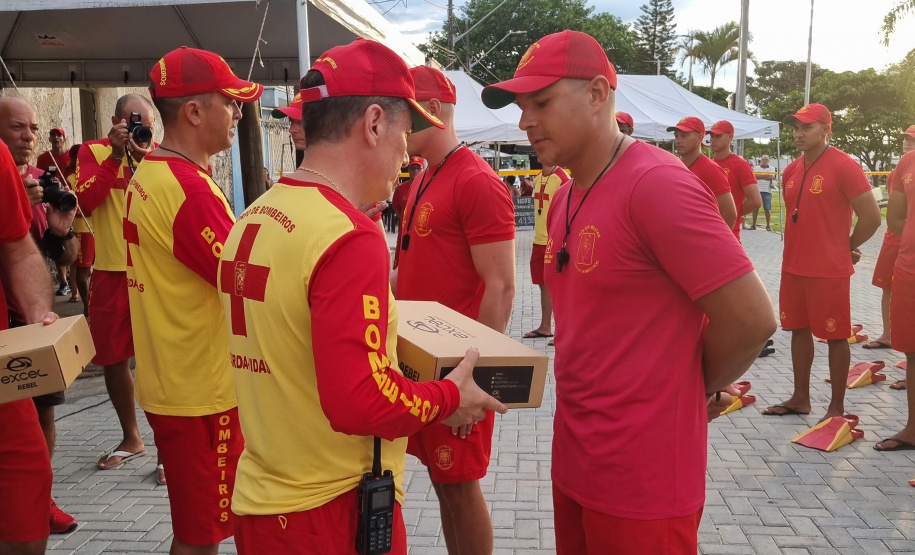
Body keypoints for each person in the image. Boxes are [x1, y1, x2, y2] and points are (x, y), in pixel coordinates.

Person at [482, 30, 776, 553]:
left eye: (542, 102)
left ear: (598, 95)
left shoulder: (656, 185)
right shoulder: (568, 193)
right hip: (576, 459)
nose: (525, 120)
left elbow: (752, 320)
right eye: (522, 106)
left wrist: (685, 388)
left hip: (644, 480)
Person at [217, 39, 506, 555]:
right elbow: (360, 402)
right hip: (329, 509)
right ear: (373, 123)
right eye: (403, 130)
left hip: (263, 496)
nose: (405, 149)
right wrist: (448, 397)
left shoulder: (256, 215)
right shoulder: (348, 236)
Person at [122, 46, 263, 555]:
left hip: (172, 380)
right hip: (202, 393)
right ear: (195, 112)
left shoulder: (155, 173)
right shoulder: (188, 189)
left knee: (198, 527)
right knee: (200, 536)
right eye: (231, 102)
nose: (239, 113)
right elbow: (246, 282)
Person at [397, 65, 516, 555]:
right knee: (445, 487)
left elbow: (503, 287)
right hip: (423, 364)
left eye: (410, 112)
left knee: (459, 487)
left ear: (440, 111)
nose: (400, 124)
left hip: (458, 369)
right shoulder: (425, 176)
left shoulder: (477, 182)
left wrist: (476, 379)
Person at [762, 104, 881, 420]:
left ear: (827, 130)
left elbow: (872, 217)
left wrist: (847, 246)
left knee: (835, 335)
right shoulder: (791, 169)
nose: (799, 134)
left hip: (828, 270)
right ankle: (800, 397)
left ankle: (836, 407)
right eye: (796, 128)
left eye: (807, 127)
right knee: (797, 330)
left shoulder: (844, 166)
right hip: (793, 266)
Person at [0, 96, 79, 535]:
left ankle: (39, 501)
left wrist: (57, 228)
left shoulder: (36, 180)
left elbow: (42, 256)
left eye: (34, 128)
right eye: (18, 128)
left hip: (16, 333)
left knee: (38, 431)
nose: (29, 137)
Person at [74, 93, 154, 477]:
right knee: (112, 358)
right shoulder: (93, 151)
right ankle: (131, 437)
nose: (139, 130)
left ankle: (168, 451)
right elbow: (86, 201)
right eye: (132, 122)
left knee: (161, 357)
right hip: (110, 268)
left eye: (145, 124)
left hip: (154, 271)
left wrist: (142, 156)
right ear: (114, 121)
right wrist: (116, 156)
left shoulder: (155, 154)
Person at [865, 125, 915, 358]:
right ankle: (889, 334)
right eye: (905, 139)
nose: (907, 143)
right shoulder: (901, 168)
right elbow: (894, 215)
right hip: (895, 239)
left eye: (912, 140)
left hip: (908, 243)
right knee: (888, 288)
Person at [881, 147, 915, 451]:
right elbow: (895, 219)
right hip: (909, 269)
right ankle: (913, 428)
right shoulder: (907, 161)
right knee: (912, 352)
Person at [522, 162, 569, 341]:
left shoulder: (562, 178)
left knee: (558, 286)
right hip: (539, 240)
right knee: (544, 284)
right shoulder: (538, 178)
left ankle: (563, 331)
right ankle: (545, 326)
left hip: (555, 240)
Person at [670, 117, 738, 229]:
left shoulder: (711, 170)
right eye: (676, 136)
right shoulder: (675, 166)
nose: (678, 140)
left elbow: (730, 216)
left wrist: (712, 242)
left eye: (684, 135)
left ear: (699, 138)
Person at [708, 120, 761, 239]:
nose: (713, 139)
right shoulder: (709, 163)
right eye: (711, 136)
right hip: (708, 230)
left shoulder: (740, 165)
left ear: (730, 137)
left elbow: (756, 201)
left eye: (718, 136)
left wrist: (734, 214)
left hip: (729, 232)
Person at [36, 127, 73, 296]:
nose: (55, 137)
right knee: (57, 242)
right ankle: (64, 282)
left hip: (71, 202)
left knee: (70, 241)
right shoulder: (43, 158)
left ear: (64, 139)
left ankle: (74, 285)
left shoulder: (70, 156)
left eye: (59, 135)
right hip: (53, 205)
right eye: (52, 135)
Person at [64, 143, 92, 311]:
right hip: (82, 228)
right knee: (83, 270)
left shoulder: (91, 174)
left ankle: (93, 302)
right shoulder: (69, 178)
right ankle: (87, 307)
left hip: (98, 227)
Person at [752, 155, 776, 231]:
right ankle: (753, 225)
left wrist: (760, 176)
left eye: (766, 159)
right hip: (757, 190)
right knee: (755, 208)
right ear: (760, 160)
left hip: (767, 191)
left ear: (768, 160)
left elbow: (771, 177)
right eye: (763, 159)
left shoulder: (772, 168)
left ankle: (768, 225)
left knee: (767, 209)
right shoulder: (756, 168)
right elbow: (754, 176)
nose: (764, 160)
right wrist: (765, 175)